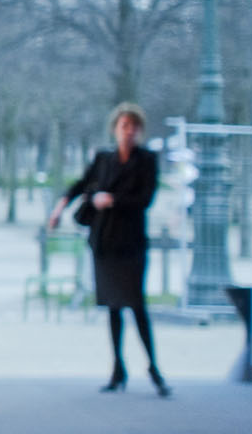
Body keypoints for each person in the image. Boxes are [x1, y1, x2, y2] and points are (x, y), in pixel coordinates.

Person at [49, 102, 166, 396]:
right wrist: (59, 207)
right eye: (124, 126)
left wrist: (110, 200)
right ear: (115, 129)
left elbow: (145, 198)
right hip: (105, 242)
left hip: (131, 243)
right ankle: (118, 367)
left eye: (134, 126)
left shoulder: (147, 160)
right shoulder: (103, 159)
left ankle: (153, 366)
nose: (129, 132)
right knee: (113, 306)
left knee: (137, 305)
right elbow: (80, 185)